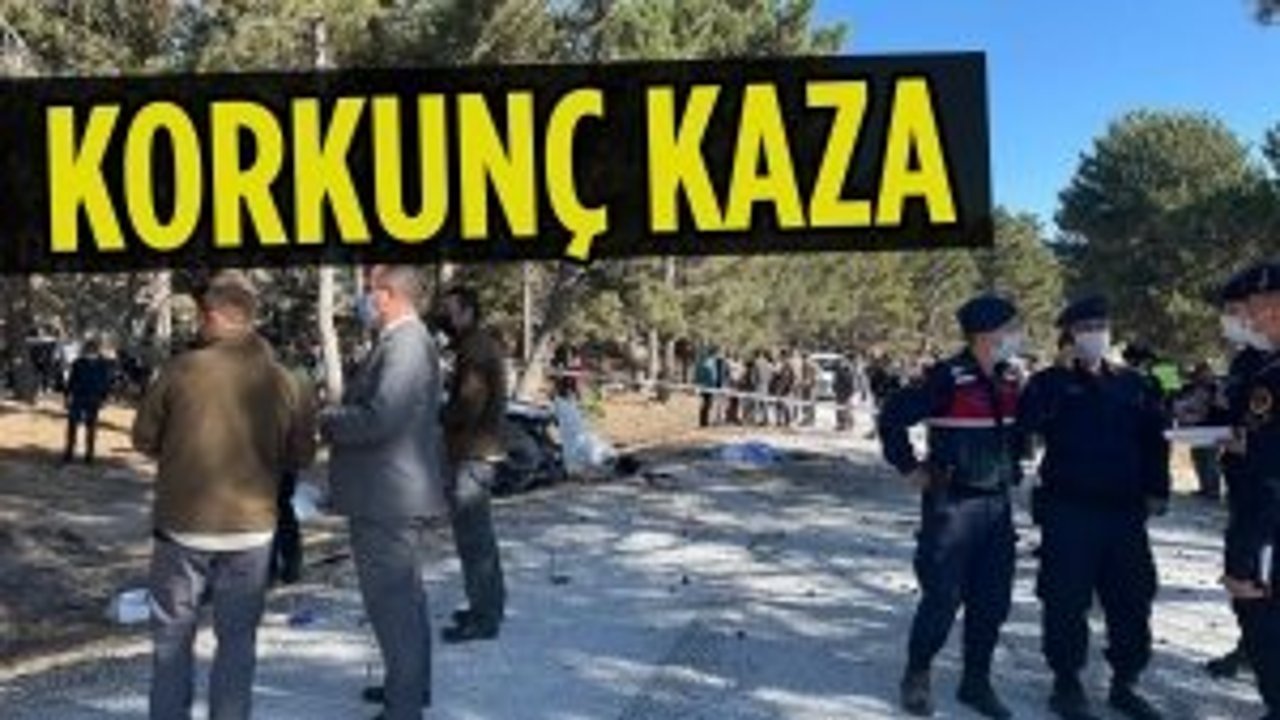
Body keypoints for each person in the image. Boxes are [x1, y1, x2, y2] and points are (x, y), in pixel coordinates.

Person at [132, 272, 315, 720]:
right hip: (251, 532)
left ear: (213, 316)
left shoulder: (181, 370)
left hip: (183, 527)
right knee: (237, 643)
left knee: (172, 641)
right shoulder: (285, 379)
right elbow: (301, 455)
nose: (197, 323)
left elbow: (143, 438)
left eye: (200, 315)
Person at [1018, 295, 1170, 720]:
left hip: (1125, 512)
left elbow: (1154, 441)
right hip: (1069, 509)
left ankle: (1126, 681)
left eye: (1100, 327)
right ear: (1069, 336)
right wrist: (1060, 375)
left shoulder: (1135, 383)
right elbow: (1027, 427)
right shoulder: (1048, 383)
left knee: (1132, 597)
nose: (1095, 335)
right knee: (1065, 598)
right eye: (1085, 329)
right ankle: (1066, 681)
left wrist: (1158, 490)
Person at [878, 294, 1025, 719]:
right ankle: (917, 673)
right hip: (952, 507)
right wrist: (908, 467)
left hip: (997, 507)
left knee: (992, 600)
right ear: (985, 334)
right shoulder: (946, 378)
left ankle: (976, 682)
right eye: (1010, 328)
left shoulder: (1009, 378)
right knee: (943, 596)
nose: (1016, 336)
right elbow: (892, 416)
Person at [320, 265, 448, 719]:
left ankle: (404, 706)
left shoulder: (406, 344)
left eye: (370, 290)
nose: (364, 298)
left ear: (389, 294)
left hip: (387, 495)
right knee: (404, 600)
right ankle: (408, 688)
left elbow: (381, 417)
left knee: (393, 603)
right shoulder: (400, 342)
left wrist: (328, 420)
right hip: (389, 491)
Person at [1205, 265, 1274, 681]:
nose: (1234, 319)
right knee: (1244, 584)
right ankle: (1254, 651)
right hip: (1246, 488)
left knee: (1260, 588)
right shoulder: (1248, 361)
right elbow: (1237, 414)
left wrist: (1248, 443)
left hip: (1270, 494)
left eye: (1240, 310)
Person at [1219, 261, 1280, 720]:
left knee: (1257, 600)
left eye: (1256, 307)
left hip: (1270, 507)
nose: (1251, 318)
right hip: (1255, 499)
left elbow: (1264, 442)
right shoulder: (1259, 364)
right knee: (1251, 598)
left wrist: (1244, 442)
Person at [436, 285, 509, 644]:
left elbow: (467, 405)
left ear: (467, 312)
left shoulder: (475, 348)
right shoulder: (477, 345)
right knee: (481, 539)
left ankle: (483, 618)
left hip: (472, 455)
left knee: (474, 541)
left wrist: (435, 413)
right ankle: (489, 606)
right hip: (478, 452)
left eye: (450, 310)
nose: (444, 317)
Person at [63, 336, 114, 465]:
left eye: (92, 350)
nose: (90, 352)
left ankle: (88, 455)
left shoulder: (103, 364)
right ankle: (70, 452)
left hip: (92, 397)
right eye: (89, 350)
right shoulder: (79, 363)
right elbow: (71, 381)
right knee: (74, 425)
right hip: (80, 396)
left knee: (90, 427)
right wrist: (67, 395)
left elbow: (106, 382)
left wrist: (104, 397)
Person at [695, 346, 721, 428]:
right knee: (707, 403)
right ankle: (704, 422)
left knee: (707, 404)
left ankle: (704, 421)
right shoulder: (709, 362)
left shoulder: (707, 361)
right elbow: (711, 375)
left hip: (707, 386)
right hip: (708, 386)